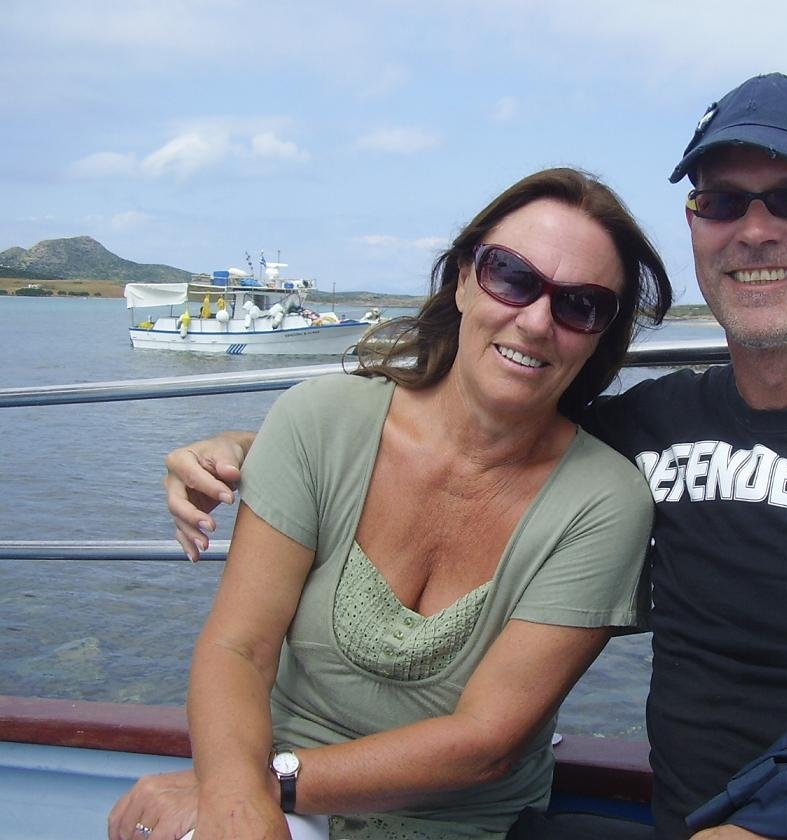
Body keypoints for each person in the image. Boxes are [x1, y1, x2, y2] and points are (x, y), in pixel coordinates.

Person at [161, 74, 787, 840]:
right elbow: (486, 438)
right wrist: (257, 451)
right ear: (696, 225)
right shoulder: (643, 435)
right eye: (723, 200)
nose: (756, 229)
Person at [108, 167, 673, 840]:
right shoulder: (320, 422)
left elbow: (484, 743)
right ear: (463, 279)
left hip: (451, 825)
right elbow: (239, 647)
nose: (536, 320)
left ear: (603, 334)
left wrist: (259, 787)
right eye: (512, 277)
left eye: (581, 304)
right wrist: (234, 799)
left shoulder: (602, 503)